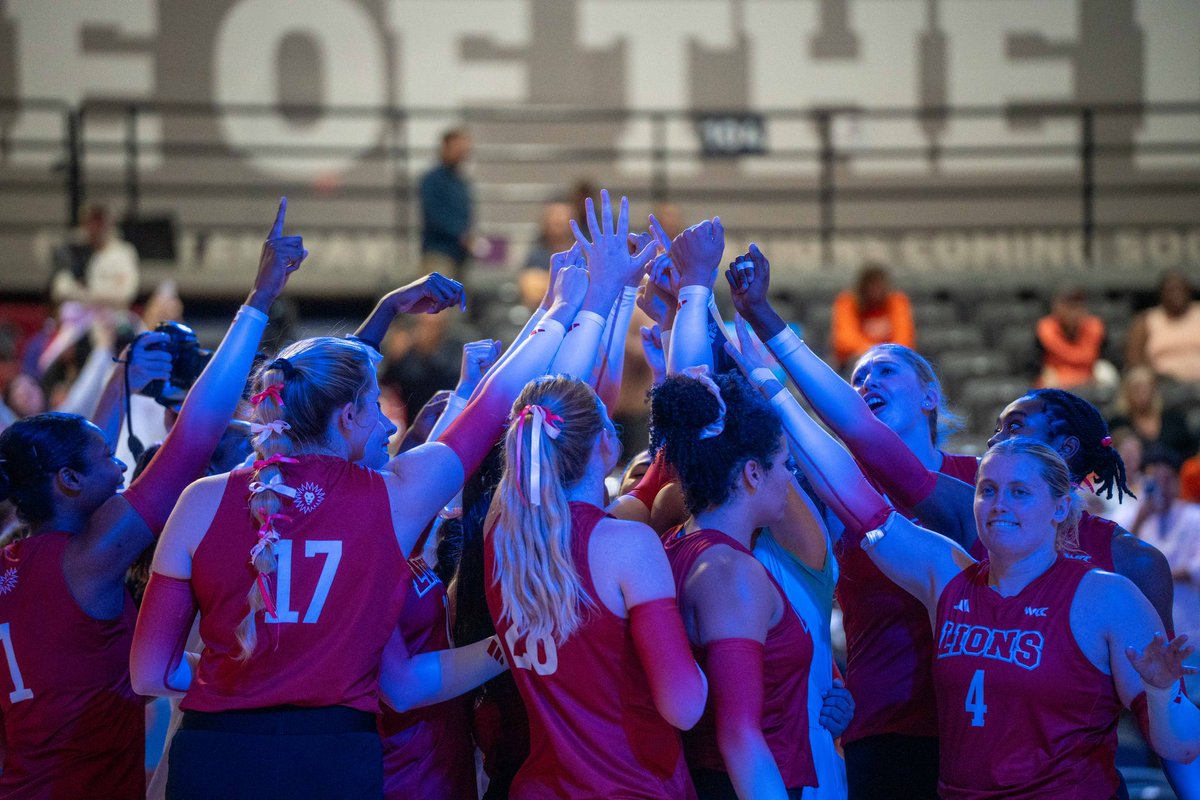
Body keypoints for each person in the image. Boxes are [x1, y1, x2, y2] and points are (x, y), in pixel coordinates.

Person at [130, 261, 584, 798]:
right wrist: (558, 312)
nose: (382, 420)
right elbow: (490, 409)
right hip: (334, 753)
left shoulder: (201, 501)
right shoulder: (392, 497)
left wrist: (238, 674)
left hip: (216, 751)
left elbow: (149, 674)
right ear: (347, 416)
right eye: (373, 404)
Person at [0, 198, 305, 799]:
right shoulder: (89, 559)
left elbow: (71, 458)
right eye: (105, 460)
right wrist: (258, 300)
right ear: (66, 483)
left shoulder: (16, 555)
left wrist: (120, 379)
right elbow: (192, 440)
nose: (121, 463)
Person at [486, 376, 707, 799]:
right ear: (605, 441)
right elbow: (684, 707)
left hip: (542, 786)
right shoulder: (627, 544)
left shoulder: (503, 541)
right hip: (633, 783)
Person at [651, 369, 817, 800]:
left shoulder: (676, 543)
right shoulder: (730, 572)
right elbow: (739, 737)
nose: (789, 480)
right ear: (752, 474)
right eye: (785, 465)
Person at [830, 263, 915, 370]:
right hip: (854, 364)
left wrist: (882, 355)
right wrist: (876, 353)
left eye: (879, 284)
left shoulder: (897, 301)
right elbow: (845, 341)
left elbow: (904, 340)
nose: (875, 289)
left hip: (893, 362)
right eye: (870, 284)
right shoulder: (847, 302)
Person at [1109, 365, 1198, 461]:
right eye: (1137, 388)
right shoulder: (1118, 424)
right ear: (1127, 393)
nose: (1143, 393)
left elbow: (1191, 452)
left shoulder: (1174, 420)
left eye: (1147, 387)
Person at [1126, 270, 1200, 384]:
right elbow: (1135, 360)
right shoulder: (1146, 320)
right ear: (1161, 294)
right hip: (1163, 385)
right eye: (1171, 291)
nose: (1176, 295)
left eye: (1181, 290)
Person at [420, 128, 475, 278]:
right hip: (438, 254)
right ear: (445, 148)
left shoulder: (461, 182)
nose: (462, 153)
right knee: (441, 299)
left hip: (461, 257)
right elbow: (434, 216)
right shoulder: (432, 180)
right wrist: (460, 235)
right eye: (457, 148)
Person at [1035, 285, 1107, 389]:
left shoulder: (1094, 326)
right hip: (1059, 373)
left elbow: (1100, 356)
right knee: (1048, 380)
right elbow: (1035, 363)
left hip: (1089, 371)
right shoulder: (1046, 327)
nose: (1072, 311)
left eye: (1077, 306)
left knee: (1106, 372)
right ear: (1056, 307)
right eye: (1068, 306)